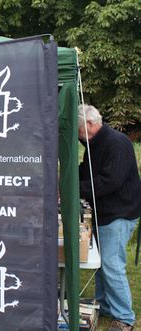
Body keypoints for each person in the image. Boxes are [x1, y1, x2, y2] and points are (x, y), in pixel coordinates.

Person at [78, 104, 140, 331]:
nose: (78, 136)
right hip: (106, 212)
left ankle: (124, 318)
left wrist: (76, 188)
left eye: (79, 130)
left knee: (112, 265)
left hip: (120, 212)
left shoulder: (117, 142)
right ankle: (104, 306)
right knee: (101, 263)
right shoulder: (92, 144)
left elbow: (109, 181)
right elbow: (86, 172)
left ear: (91, 124)